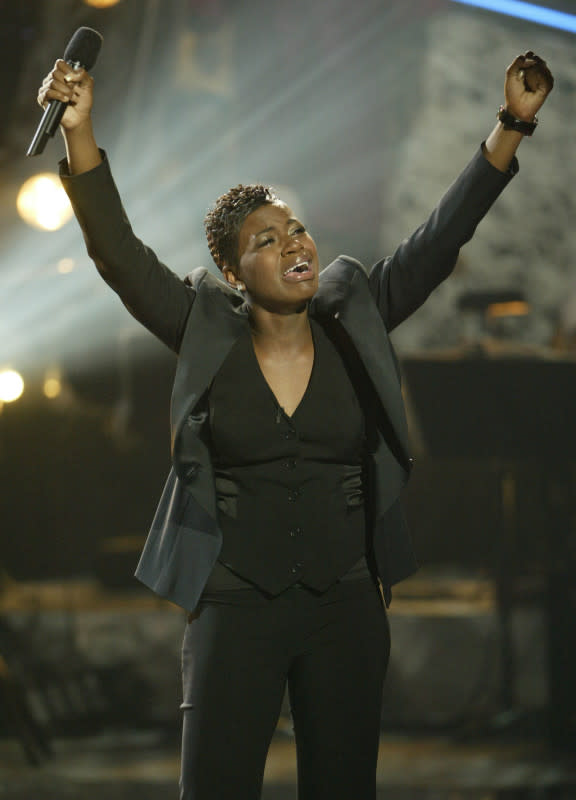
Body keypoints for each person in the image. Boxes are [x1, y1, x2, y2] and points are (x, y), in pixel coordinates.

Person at [38, 50, 553, 800]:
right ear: (235, 274)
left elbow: (441, 239)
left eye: (297, 230)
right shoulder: (202, 328)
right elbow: (117, 253)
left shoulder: (357, 319)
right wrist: (78, 133)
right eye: (266, 241)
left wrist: (510, 124)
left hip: (344, 603)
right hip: (234, 603)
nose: (295, 245)